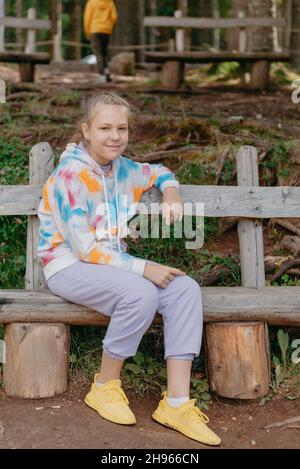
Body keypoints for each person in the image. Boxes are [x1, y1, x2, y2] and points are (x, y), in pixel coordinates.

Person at [37, 92, 221, 446]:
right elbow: (85, 249)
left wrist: (171, 192)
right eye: (105, 128)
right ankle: (105, 386)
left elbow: (159, 171)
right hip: (67, 265)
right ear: (86, 130)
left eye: (122, 128)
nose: (115, 136)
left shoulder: (123, 170)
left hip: (112, 267)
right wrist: (144, 267)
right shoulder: (70, 177)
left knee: (185, 290)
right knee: (141, 291)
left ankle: (177, 404)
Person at [83, 0, 117, 83]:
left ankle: (102, 75)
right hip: (106, 30)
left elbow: (87, 19)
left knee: (98, 53)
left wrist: (87, 32)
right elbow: (114, 17)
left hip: (95, 29)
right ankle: (106, 71)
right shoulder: (110, 2)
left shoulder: (91, 2)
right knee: (104, 52)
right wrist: (110, 27)